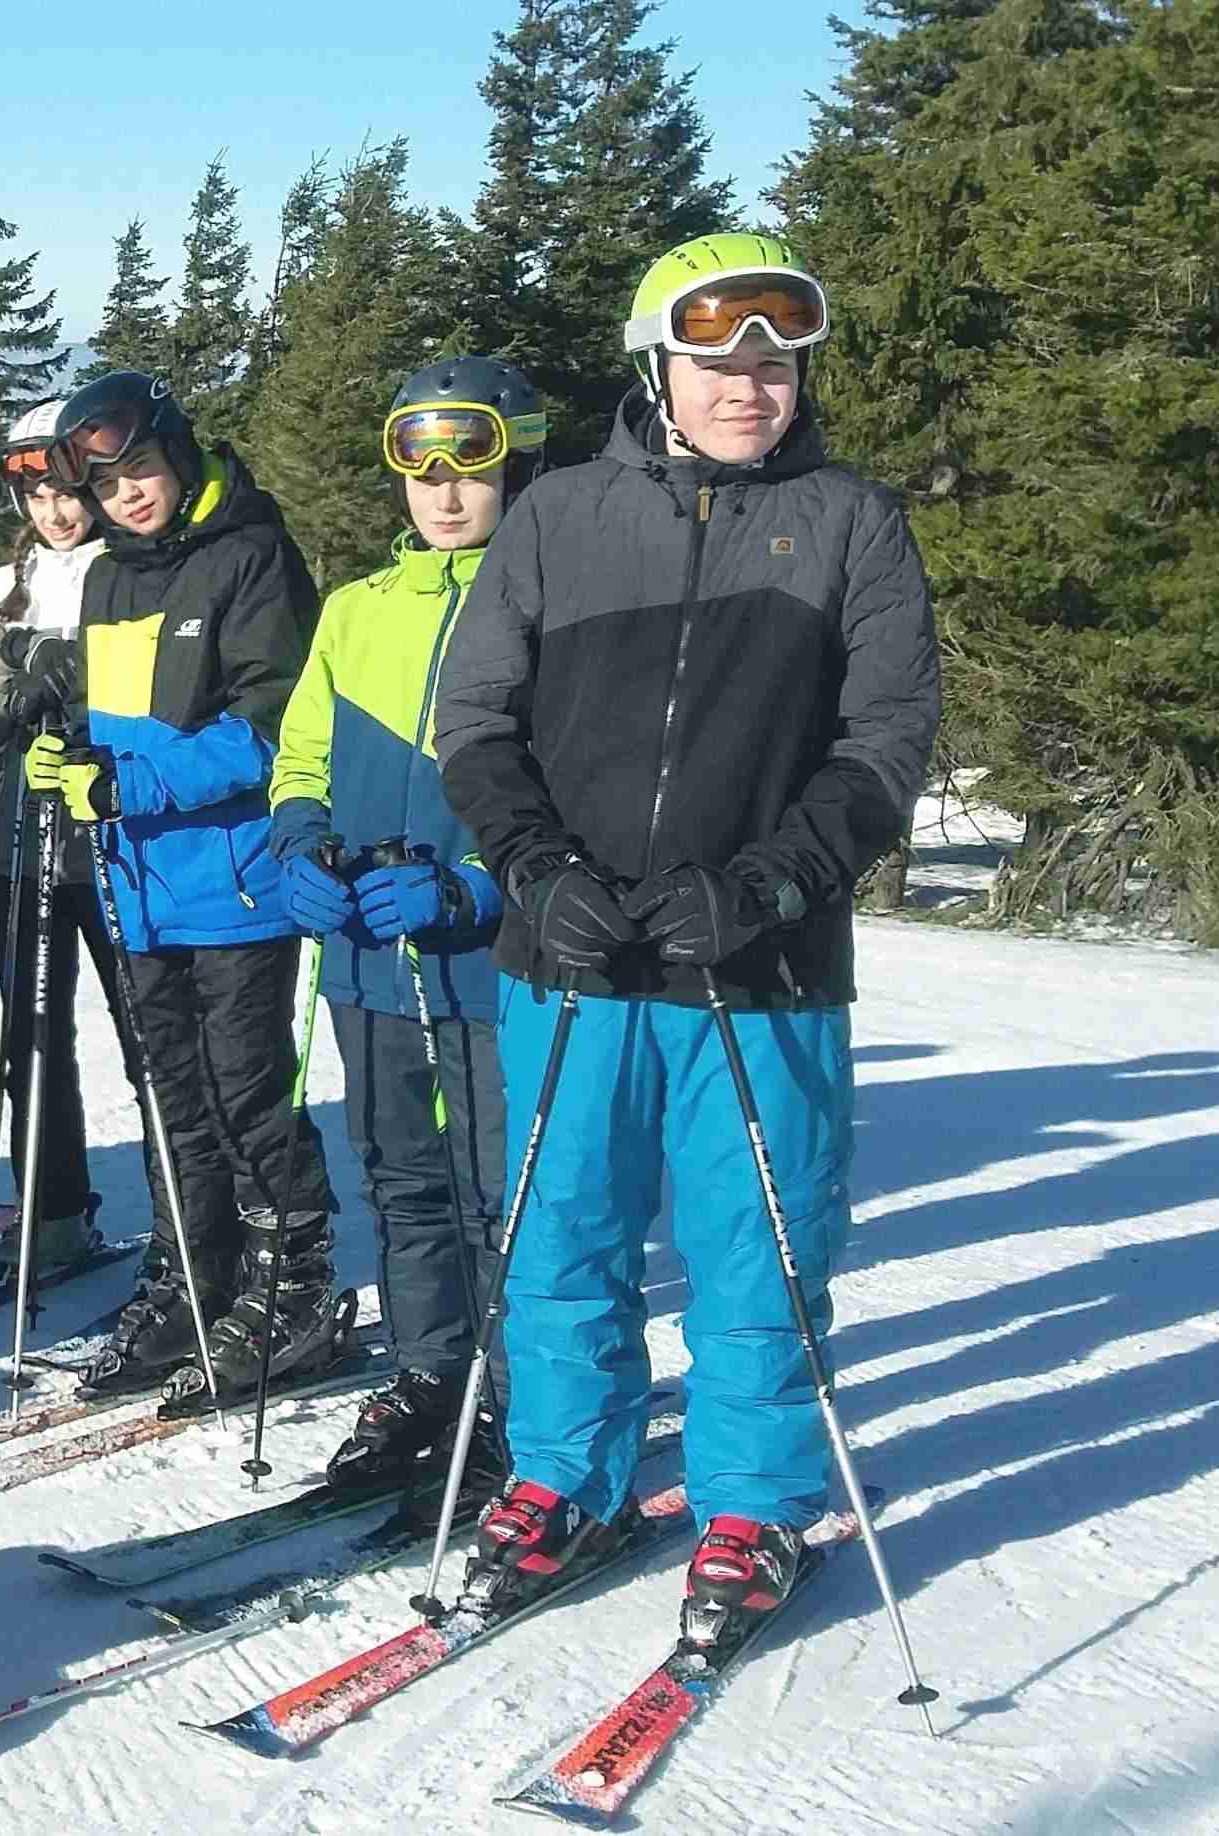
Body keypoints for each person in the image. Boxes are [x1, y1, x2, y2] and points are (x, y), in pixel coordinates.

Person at [430, 233, 938, 1636]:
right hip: (574, 959)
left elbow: (886, 742)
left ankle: (752, 1507)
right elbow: (474, 720)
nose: (750, 389)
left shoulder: (851, 520)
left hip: (761, 968)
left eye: (776, 365)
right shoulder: (558, 516)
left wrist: (770, 884)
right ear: (660, 369)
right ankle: (564, 1479)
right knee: (563, 1237)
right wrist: (534, 868)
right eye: (721, 364)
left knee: (759, 1245)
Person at [18, 371, 342, 1399]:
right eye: (107, 487)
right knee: (170, 1097)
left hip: (235, 884)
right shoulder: (110, 577)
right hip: (140, 889)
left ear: (179, 452)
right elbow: (126, 723)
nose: (129, 496)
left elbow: (274, 728)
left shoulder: (251, 555)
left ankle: (293, 1281)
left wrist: (128, 785)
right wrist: (69, 746)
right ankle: (194, 1274)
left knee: (248, 1091)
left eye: (143, 471)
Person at [268, 356, 545, 1490]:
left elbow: (581, 792)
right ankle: (431, 1370)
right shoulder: (355, 610)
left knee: (500, 1191)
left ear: (516, 462)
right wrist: (298, 845)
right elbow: (302, 755)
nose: (444, 491)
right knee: (398, 1176)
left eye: (469, 464)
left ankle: (522, 1397)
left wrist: (478, 886)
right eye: (420, 468)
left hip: (492, 964)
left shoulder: (547, 602)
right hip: (368, 957)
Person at [0, 399, 126, 1292]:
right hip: (21, 836)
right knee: (35, 1037)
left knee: (150, 1034)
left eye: (68, 492)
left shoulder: (129, 569)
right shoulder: (3, 590)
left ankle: (195, 1218)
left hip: (116, 828)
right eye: (38, 497)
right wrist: (21, 691)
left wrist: (80, 685)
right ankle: (53, 1210)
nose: (56, 512)